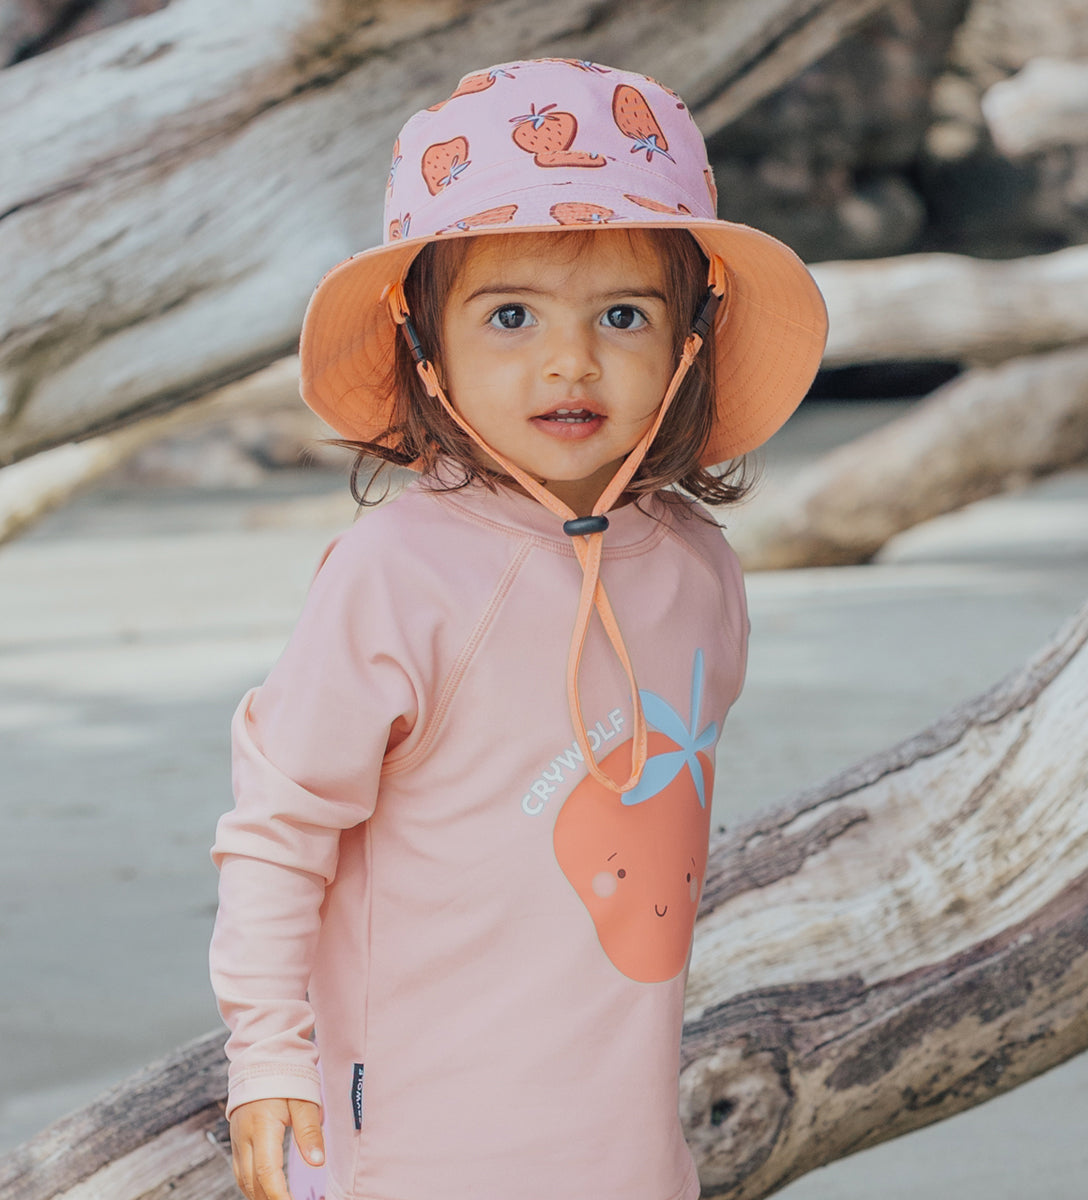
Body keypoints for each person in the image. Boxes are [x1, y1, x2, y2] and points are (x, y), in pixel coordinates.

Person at [209, 58, 827, 1200]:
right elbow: (279, 830)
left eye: (624, 315)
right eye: (510, 315)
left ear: (693, 340)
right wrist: (267, 1053)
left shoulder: (698, 569)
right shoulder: (398, 575)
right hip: (411, 1151)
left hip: (629, 1153)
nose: (569, 360)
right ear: (424, 345)